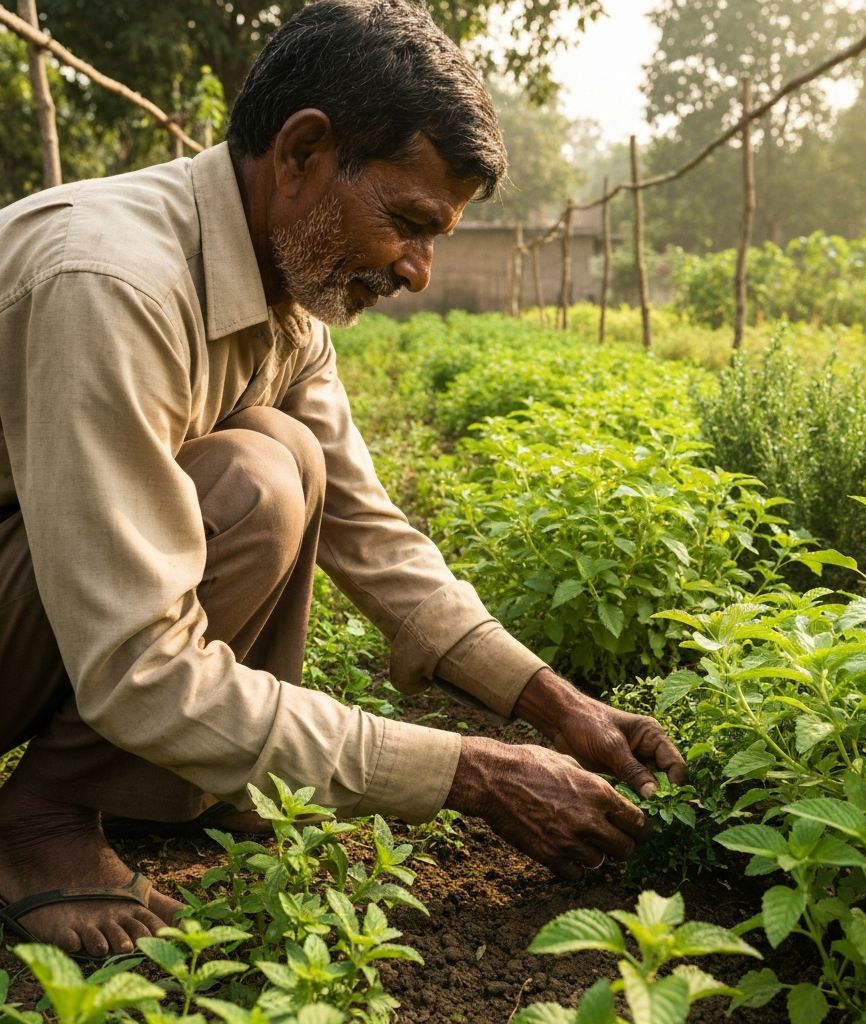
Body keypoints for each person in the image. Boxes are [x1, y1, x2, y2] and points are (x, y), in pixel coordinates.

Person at [0, 0, 686, 958]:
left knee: (286, 458)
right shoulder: (112, 286)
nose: (419, 271)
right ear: (302, 154)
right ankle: (39, 825)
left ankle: (167, 779)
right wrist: (471, 773)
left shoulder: (284, 299)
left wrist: (553, 702)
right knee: (255, 479)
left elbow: (371, 531)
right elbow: (136, 664)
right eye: (408, 223)